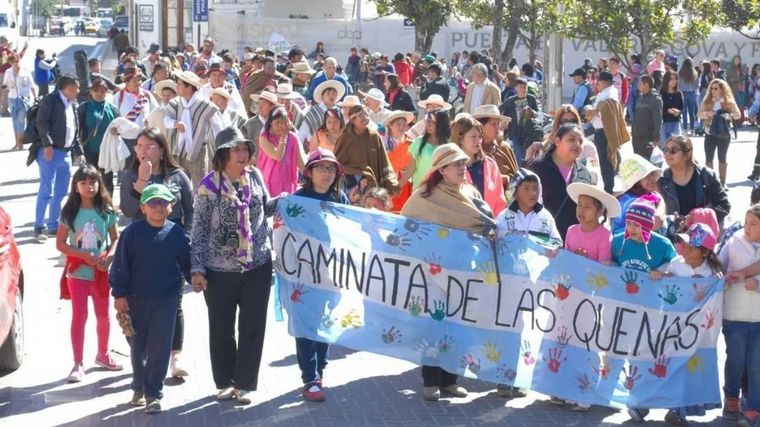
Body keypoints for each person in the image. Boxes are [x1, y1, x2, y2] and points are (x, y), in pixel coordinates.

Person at [190, 127, 279, 406]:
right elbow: (200, 229)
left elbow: (267, 207)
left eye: (245, 149)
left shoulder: (255, 176)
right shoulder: (208, 186)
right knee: (221, 327)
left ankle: (245, 383)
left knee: (253, 326)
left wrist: (289, 200)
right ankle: (225, 382)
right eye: (236, 149)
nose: (243, 154)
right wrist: (197, 269)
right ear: (223, 154)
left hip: (258, 265)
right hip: (219, 270)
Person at [401, 143, 496, 401]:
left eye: (463, 163)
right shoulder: (423, 197)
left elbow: (483, 224)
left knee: (458, 327)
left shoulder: (470, 193)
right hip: (432, 274)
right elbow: (405, 227)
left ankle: (450, 380)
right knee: (434, 325)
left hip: (463, 273)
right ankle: (430, 380)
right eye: (456, 164)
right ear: (442, 169)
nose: (462, 168)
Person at [629, 222, 723, 425]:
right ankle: (641, 403)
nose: (685, 251)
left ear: (705, 252)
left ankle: (678, 409)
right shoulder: (676, 264)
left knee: (683, 368)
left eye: (691, 248)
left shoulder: (711, 273)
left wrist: (715, 283)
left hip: (694, 332)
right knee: (661, 362)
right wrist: (659, 275)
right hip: (671, 325)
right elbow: (660, 279)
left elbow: (716, 297)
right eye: (684, 246)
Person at [110, 183, 191, 414]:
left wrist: (196, 278)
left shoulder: (176, 233)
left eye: (163, 202)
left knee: (161, 347)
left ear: (171, 206)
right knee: (138, 347)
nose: (158, 207)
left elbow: (186, 262)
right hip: (135, 300)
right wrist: (119, 295)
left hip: (166, 301)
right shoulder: (132, 233)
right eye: (153, 202)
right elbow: (120, 267)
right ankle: (138, 386)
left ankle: (153, 393)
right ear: (143, 207)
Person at [119, 127, 193, 378]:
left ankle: (174, 356)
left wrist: (187, 238)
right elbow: (129, 210)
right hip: (141, 250)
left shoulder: (177, 175)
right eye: (138, 146)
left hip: (172, 245)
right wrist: (142, 179)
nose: (143, 151)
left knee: (175, 302)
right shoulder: (131, 174)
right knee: (141, 305)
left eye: (149, 146)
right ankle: (144, 357)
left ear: (161, 150)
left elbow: (190, 209)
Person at [292, 148, 349, 402]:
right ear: (309, 171)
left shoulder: (341, 198)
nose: (326, 174)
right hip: (304, 275)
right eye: (321, 168)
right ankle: (309, 377)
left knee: (325, 321)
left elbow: (351, 231)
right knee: (306, 324)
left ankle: (320, 369)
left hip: (332, 273)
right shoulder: (297, 199)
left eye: (330, 169)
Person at [55, 165, 121, 383]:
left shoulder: (107, 210)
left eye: (92, 182)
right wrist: (82, 255)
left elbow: (116, 238)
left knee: (103, 315)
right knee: (80, 316)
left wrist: (109, 257)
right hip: (78, 273)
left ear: (99, 183)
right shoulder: (69, 212)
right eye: (83, 183)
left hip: (101, 272)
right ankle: (77, 362)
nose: (89, 187)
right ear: (76, 186)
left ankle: (103, 354)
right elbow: (61, 244)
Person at [720, 205, 760, 426]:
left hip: (759, 320)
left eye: (754, 224)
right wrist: (724, 278)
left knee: (756, 366)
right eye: (746, 222)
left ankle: (754, 406)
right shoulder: (733, 243)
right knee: (735, 361)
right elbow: (719, 266)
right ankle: (732, 399)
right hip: (735, 317)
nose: (747, 228)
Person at [34, 75, 82, 241]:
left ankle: (53, 225)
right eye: (76, 88)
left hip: (66, 153)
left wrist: (79, 151)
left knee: (61, 192)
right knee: (47, 189)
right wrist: (47, 144)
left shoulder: (73, 104)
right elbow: (41, 123)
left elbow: (75, 130)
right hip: (50, 152)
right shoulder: (50, 100)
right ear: (68, 88)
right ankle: (39, 226)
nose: (78, 91)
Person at [527, 123, 592, 240]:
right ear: (557, 141)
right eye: (571, 139)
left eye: (580, 141)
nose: (577, 144)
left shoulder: (584, 174)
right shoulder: (537, 167)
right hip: (540, 238)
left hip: (573, 244)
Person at [164, 70, 223, 187]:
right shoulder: (174, 103)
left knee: (200, 187)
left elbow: (218, 128)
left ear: (189, 87)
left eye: (180, 84)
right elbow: (166, 121)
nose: (177, 86)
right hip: (177, 152)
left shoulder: (205, 105)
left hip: (198, 153)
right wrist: (175, 124)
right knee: (177, 186)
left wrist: (222, 147)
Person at [659, 135, 730, 229]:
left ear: (687, 154)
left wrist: (698, 217)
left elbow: (724, 206)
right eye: (665, 150)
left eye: (673, 150)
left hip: (702, 234)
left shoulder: (707, 175)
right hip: (674, 235)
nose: (668, 154)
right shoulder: (662, 180)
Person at [334, 105, 398, 194]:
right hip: (350, 183)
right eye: (361, 115)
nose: (365, 117)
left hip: (371, 185)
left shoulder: (374, 137)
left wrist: (391, 182)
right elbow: (337, 164)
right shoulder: (345, 137)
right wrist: (359, 175)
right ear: (353, 120)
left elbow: (383, 162)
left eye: (366, 114)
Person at [451, 115, 507, 215]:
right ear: (460, 138)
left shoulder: (490, 165)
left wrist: (497, 224)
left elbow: (500, 201)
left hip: (489, 225)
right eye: (473, 136)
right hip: (459, 226)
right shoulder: (448, 166)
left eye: (480, 137)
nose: (478, 141)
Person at [585, 70, 627, 193]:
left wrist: (596, 110)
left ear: (603, 82)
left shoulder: (609, 95)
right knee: (605, 161)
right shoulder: (604, 93)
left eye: (599, 82)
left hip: (606, 131)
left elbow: (606, 107)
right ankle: (608, 185)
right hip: (601, 130)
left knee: (606, 161)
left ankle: (608, 187)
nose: (597, 84)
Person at [495, 168, 561, 246]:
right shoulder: (503, 217)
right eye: (526, 188)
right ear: (515, 193)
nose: (533, 193)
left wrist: (537, 239)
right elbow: (496, 242)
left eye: (535, 188)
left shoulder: (546, 217)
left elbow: (557, 243)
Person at [612, 196, 676, 272]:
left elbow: (675, 263)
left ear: (648, 226)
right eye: (628, 223)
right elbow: (612, 263)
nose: (631, 228)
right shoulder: (617, 241)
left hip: (653, 283)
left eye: (637, 225)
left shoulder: (664, 244)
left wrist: (659, 271)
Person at [78, 78, 120, 196]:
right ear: (91, 91)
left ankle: (108, 205)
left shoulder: (112, 108)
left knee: (107, 180)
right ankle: (91, 204)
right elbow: (78, 129)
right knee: (90, 179)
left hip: (108, 150)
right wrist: (77, 151)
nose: (99, 93)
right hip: (90, 149)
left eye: (102, 91)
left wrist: (117, 131)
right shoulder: (84, 107)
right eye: (96, 90)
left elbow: (120, 126)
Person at [698, 78, 741, 185]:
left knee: (722, 158)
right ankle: (710, 183)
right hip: (709, 132)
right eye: (711, 88)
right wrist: (707, 114)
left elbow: (738, 115)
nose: (713, 90)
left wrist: (729, 115)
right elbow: (698, 115)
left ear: (722, 89)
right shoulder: (707, 100)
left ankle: (722, 182)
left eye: (716, 88)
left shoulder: (728, 102)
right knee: (709, 159)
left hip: (724, 133)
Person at [565, 182, 619, 265]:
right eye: (579, 205)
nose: (581, 210)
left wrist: (586, 260)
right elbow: (566, 260)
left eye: (587, 207)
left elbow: (603, 269)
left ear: (600, 211)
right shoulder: (571, 231)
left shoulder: (605, 237)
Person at [612, 155, 666, 235]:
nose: (652, 179)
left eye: (652, 175)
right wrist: (661, 201)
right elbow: (656, 222)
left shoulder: (624, 198)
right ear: (636, 182)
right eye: (647, 176)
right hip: (632, 244)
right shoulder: (636, 202)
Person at [258, 106, 306, 194]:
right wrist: (283, 137)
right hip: (268, 185)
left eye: (283, 122)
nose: (281, 125)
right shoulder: (264, 138)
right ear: (271, 123)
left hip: (287, 184)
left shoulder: (292, 138)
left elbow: (300, 162)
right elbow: (278, 156)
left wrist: (311, 177)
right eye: (277, 122)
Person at [472, 104, 518, 191]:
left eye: (498, 123)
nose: (497, 128)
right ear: (481, 126)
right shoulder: (472, 149)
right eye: (493, 124)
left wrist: (504, 179)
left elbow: (517, 179)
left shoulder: (504, 148)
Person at [403, 109, 451, 190]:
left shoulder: (449, 145)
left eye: (431, 122)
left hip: (441, 192)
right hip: (419, 191)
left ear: (441, 124)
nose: (428, 125)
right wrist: (398, 186)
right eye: (427, 121)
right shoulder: (419, 142)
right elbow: (411, 168)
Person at [500, 78, 542, 167]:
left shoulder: (531, 99)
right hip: (515, 132)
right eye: (520, 87)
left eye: (524, 87)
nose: (523, 89)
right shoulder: (511, 100)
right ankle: (521, 171)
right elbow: (500, 109)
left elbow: (538, 114)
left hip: (529, 132)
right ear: (515, 88)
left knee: (528, 154)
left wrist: (531, 111)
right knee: (519, 155)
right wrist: (504, 121)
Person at [383, 110, 415, 212]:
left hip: (404, 181)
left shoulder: (411, 143)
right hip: (386, 180)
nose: (402, 127)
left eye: (404, 125)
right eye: (398, 124)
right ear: (390, 125)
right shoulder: (382, 141)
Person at [297, 80, 344, 145]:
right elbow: (302, 133)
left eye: (333, 93)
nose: (331, 96)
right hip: (315, 147)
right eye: (328, 93)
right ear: (322, 96)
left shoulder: (339, 112)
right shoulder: (313, 112)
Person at [4, 54, 34, 150]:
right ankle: (16, 143)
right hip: (12, 99)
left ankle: (20, 143)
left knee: (21, 121)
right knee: (15, 121)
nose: (16, 63)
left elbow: (31, 84)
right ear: (10, 63)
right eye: (13, 62)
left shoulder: (25, 70)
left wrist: (35, 96)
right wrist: (7, 86)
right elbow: (5, 84)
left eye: (17, 61)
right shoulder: (8, 72)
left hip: (23, 99)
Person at [631, 74, 663, 159]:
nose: (638, 85)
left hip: (648, 138)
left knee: (648, 164)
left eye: (640, 83)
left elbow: (658, 120)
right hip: (637, 137)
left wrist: (656, 138)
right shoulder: (640, 97)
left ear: (646, 85)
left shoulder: (656, 99)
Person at [659, 70, 683, 145]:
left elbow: (682, 108)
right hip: (664, 123)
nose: (674, 81)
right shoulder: (661, 93)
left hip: (676, 123)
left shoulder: (678, 94)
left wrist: (678, 112)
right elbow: (658, 109)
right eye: (671, 79)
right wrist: (667, 111)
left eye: (675, 79)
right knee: (664, 146)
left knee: (675, 146)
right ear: (666, 80)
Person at [679, 57, 699, 135]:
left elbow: (678, 84)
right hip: (691, 93)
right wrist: (692, 89)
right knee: (691, 112)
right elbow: (696, 85)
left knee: (684, 112)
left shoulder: (680, 73)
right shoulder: (694, 73)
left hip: (683, 93)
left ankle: (685, 129)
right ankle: (692, 129)